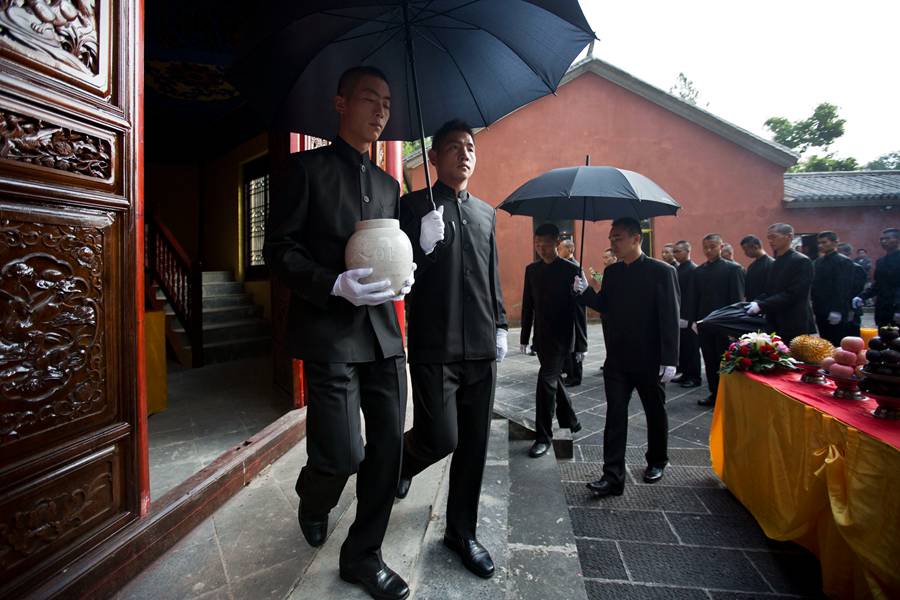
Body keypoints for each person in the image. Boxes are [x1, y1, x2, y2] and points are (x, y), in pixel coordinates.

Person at [264, 66, 415, 600]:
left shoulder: (389, 184)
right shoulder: (304, 171)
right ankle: (314, 492)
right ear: (339, 103)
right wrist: (333, 284)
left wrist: (405, 274)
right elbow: (278, 250)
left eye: (387, 103)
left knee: (387, 451)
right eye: (369, 99)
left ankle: (363, 555)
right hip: (329, 331)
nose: (380, 111)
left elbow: (393, 253)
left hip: (383, 335)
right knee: (341, 453)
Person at [396, 119, 507, 580]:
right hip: (434, 345)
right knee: (442, 436)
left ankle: (461, 532)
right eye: (453, 148)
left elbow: (491, 273)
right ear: (435, 158)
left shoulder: (485, 213)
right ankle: (397, 460)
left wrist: (501, 323)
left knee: (475, 445)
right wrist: (422, 246)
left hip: (481, 346)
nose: (464, 155)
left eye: (470, 147)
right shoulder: (410, 208)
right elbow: (398, 274)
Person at [573, 217, 679, 497]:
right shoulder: (614, 273)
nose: (612, 243)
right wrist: (584, 292)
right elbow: (605, 305)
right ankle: (612, 477)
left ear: (636, 238)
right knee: (615, 415)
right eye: (611, 238)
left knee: (655, 411)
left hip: (650, 358)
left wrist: (670, 358)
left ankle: (657, 460)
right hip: (618, 359)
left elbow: (669, 316)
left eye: (617, 238)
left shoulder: (662, 271)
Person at [520, 224, 582, 458]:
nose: (541, 249)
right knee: (553, 378)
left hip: (563, 337)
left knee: (545, 383)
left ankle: (543, 436)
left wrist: (581, 345)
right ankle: (571, 420)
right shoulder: (532, 270)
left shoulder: (571, 270)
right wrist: (525, 337)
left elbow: (579, 311)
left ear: (557, 243)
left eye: (546, 244)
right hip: (542, 337)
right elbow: (528, 306)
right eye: (538, 244)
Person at [693, 234, 745, 406]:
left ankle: (728, 395)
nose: (708, 251)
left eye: (713, 247)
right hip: (705, 323)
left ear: (721, 247)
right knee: (709, 360)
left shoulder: (733, 269)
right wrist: (694, 320)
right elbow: (695, 298)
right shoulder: (699, 271)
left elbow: (737, 300)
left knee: (725, 359)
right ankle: (714, 393)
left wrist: (734, 326)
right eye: (705, 247)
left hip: (725, 324)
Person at [747, 223, 816, 344]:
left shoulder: (801, 261)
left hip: (793, 320)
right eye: (768, 237)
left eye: (773, 237)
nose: (770, 241)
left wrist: (762, 305)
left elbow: (794, 293)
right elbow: (770, 290)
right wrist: (757, 301)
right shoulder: (776, 262)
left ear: (789, 237)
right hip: (775, 320)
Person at [811, 231, 866, 345]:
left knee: (838, 341)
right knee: (825, 341)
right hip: (821, 308)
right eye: (819, 243)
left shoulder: (843, 261)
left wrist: (837, 310)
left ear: (835, 243)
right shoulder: (818, 262)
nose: (820, 245)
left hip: (836, 308)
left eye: (824, 242)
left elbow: (843, 287)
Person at [854, 229, 900, 327]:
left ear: (897, 240)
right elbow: (878, 284)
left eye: (887, 238)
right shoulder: (881, 261)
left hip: (896, 306)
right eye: (882, 239)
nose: (883, 241)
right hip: (882, 308)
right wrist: (862, 296)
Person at [671, 241, 701, 387]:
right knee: (682, 347)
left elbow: (692, 296)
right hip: (678, 314)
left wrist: (689, 318)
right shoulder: (677, 268)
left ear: (687, 251)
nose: (675, 254)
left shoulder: (693, 270)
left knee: (692, 348)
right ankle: (684, 373)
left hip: (688, 316)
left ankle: (694, 377)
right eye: (674, 251)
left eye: (678, 251)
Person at [558, 238, 587, 386]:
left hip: (576, 310)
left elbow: (585, 287)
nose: (558, 250)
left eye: (561, 248)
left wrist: (577, 289)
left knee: (576, 344)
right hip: (566, 309)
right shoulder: (563, 265)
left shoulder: (576, 266)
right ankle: (568, 371)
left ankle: (575, 376)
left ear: (570, 250)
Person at [740, 235, 774, 303]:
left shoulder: (771, 264)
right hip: (751, 304)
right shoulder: (752, 266)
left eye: (746, 250)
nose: (745, 253)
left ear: (756, 246)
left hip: (764, 304)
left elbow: (771, 289)